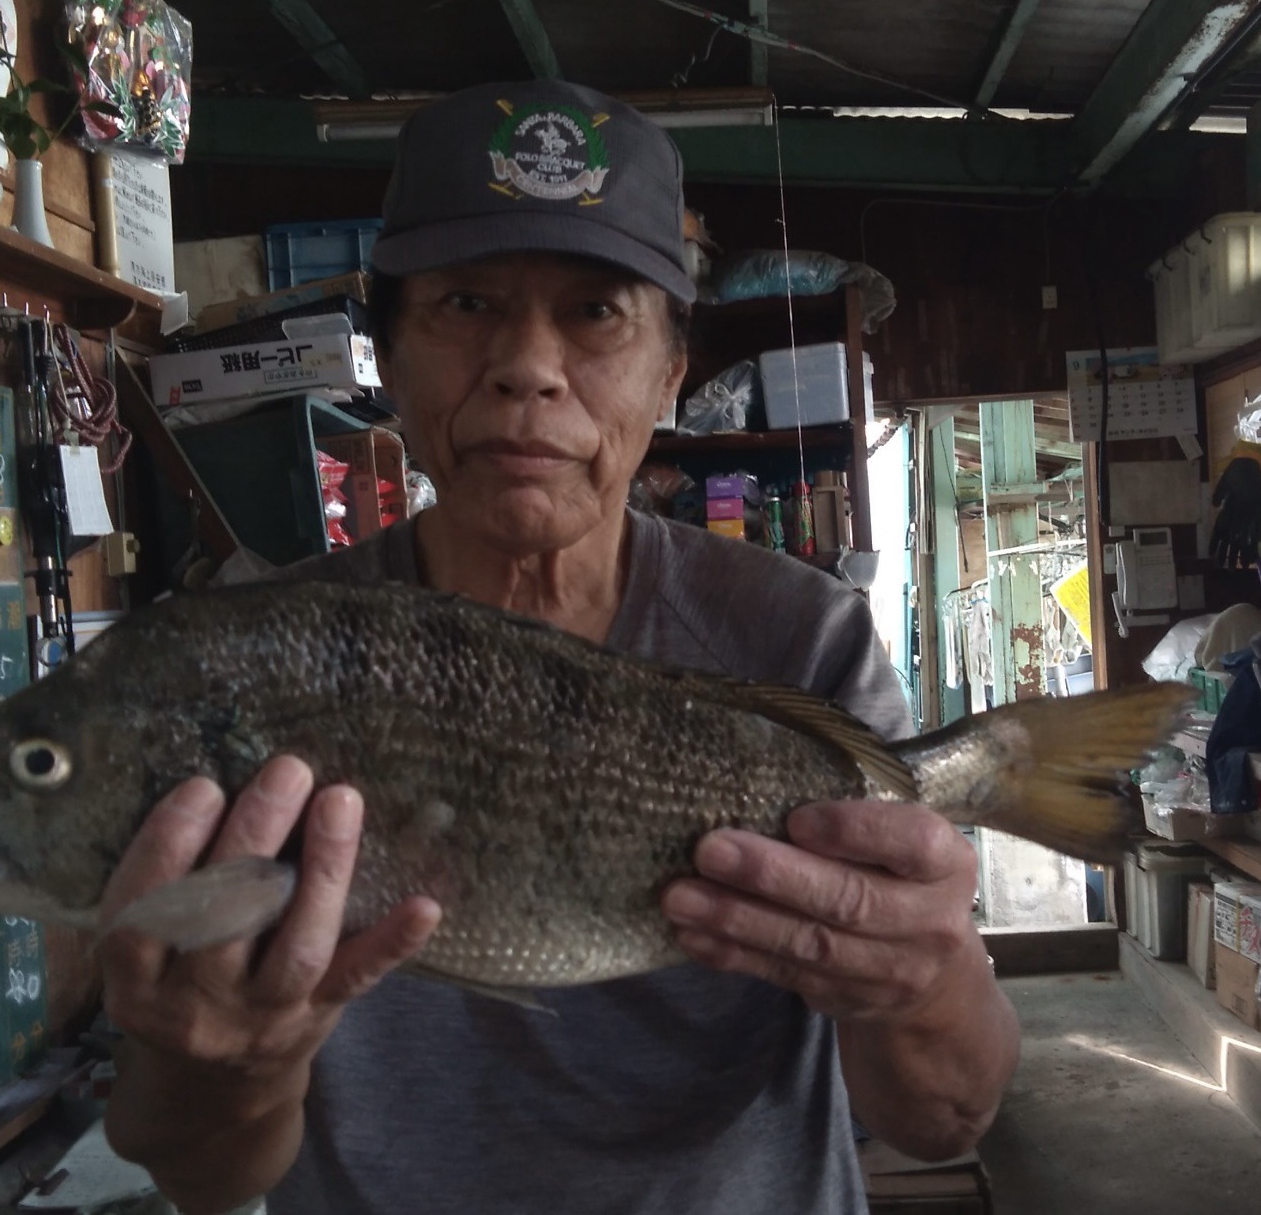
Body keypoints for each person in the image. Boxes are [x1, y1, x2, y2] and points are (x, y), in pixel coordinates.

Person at [98, 79, 1020, 1215]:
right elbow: (195, 1170)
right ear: (385, 354)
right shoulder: (256, 660)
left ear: (670, 370)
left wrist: (916, 983)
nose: (527, 366)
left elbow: (943, 1121)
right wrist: (226, 1064)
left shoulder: (798, 639)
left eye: (596, 314)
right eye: (468, 303)